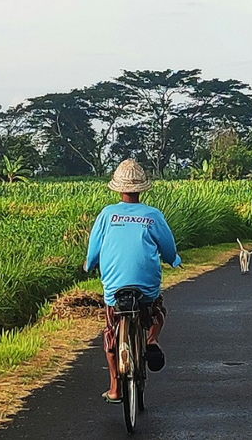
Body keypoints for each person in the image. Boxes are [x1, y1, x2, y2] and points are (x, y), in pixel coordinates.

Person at [85, 158, 181, 403]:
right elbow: (169, 250)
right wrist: (174, 260)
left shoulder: (107, 215)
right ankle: (151, 339)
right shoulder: (153, 215)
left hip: (115, 288)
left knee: (111, 330)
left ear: (118, 188)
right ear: (141, 189)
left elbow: (93, 251)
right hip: (146, 287)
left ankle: (115, 387)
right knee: (156, 309)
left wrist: (89, 265)